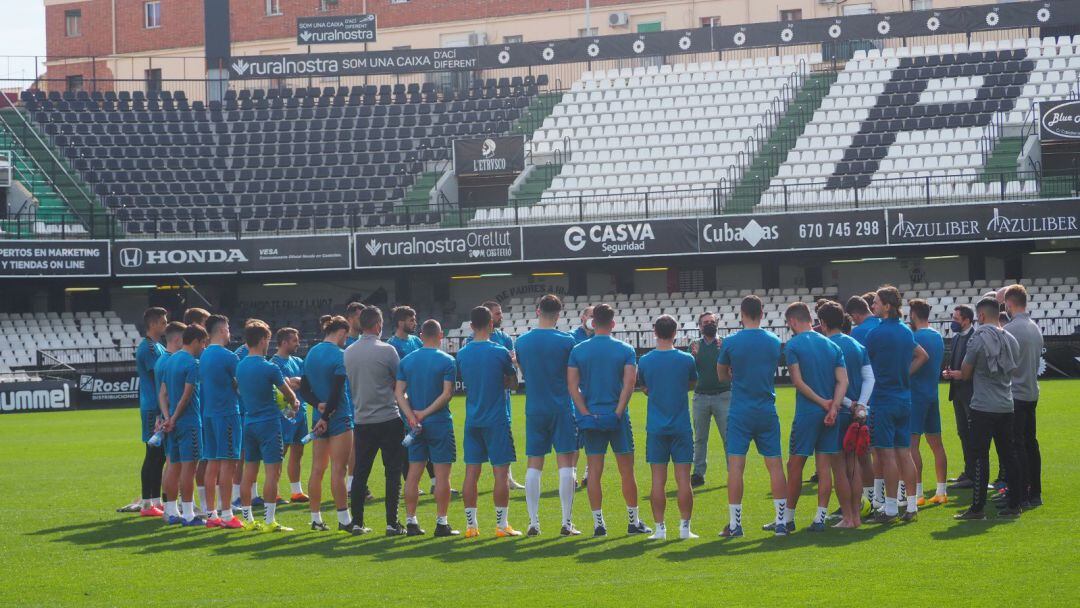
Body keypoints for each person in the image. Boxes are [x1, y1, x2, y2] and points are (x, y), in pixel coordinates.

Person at [568, 303, 650, 538]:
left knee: (594, 472)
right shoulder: (624, 349)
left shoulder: (579, 350)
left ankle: (598, 524)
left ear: (593, 323)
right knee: (627, 471)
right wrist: (617, 411)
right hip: (617, 417)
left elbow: (572, 386)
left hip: (591, 416)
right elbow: (629, 384)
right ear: (613, 323)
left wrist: (584, 412)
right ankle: (633, 522)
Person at [716, 295, 789, 538]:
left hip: (740, 410)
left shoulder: (731, 341)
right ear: (762, 312)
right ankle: (781, 522)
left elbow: (721, 376)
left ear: (742, 313)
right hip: (766, 408)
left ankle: (735, 525)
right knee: (775, 465)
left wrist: (734, 375)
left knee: (736, 467)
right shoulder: (774, 340)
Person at [779, 302, 849, 533]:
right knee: (824, 465)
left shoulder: (793, 345)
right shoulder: (831, 345)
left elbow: (798, 382)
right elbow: (843, 381)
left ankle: (787, 519)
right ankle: (820, 518)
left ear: (792, 322)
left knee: (795, 464)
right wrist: (834, 407)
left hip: (808, 412)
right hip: (831, 414)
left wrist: (822, 403)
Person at [514, 294, 580, 537]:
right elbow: (573, 374)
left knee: (534, 464)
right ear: (559, 314)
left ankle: (533, 522)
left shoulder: (522, 341)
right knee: (566, 465)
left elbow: (522, 370)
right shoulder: (567, 340)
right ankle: (566, 522)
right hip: (561, 406)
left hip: (535, 407)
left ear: (538, 310)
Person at [952, 298, 1024, 520]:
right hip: (1006, 404)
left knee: (979, 457)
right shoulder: (1010, 338)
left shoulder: (978, 338)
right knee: (1008, 455)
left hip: (983, 406)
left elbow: (965, 373)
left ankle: (977, 508)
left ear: (981, 316)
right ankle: (1014, 504)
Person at [457, 306, 522, 538]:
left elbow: (464, 380)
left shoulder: (463, 354)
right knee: (501, 474)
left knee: (471, 473)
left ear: (471, 326)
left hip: (473, 419)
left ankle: (471, 526)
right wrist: (506, 380)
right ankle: (501, 524)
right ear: (491, 325)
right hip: (496, 419)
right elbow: (514, 384)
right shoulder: (500, 351)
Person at [866, 286, 929, 524]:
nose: (873, 305)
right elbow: (922, 355)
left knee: (887, 455)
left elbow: (866, 364)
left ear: (887, 306)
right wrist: (905, 373)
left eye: (876, 302)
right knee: (905, 453)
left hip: (883, 399)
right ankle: (911, 506)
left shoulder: (875, 334)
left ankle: (890, 509)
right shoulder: (905, 331)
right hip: (904, 398)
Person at [344, 305, 408, 536]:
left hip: (362, 419)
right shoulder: (387, 350)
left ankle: (358, 522)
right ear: (379, 325)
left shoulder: (348, 352)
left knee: (361, 472)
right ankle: (392, 522)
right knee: (392, 472)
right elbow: (399, 382)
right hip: (389, 417)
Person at [394, 319, 460, 537]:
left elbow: (398, 392)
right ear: (440, 336)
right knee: (442, 476)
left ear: (421, 335)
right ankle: (441, 523)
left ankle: (411, 521)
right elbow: (447, 393)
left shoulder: (408, 360)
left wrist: (412, 415)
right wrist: (425, 413)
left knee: (413, 474)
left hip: (415, 426)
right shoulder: (447, 360)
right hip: (439, 422)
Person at [236, 320, 300, 532]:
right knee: (273, 472)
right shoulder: (269, 367)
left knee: (249, 472)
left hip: (249, 422)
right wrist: (294, 403)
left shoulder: (241, 365)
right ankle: (269, 521)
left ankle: (247, 519)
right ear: (263, 340)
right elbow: (290, 396)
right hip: (269, 424)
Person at [638, 315, 698, 540]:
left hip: (656, 427)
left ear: (655, 332)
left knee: (657, 480)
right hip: (681, 425)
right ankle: (684, 528)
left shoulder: (645, 361)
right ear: (675, 333)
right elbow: (692, 383)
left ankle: (660, 529)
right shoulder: (686, 359)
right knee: (684, 479)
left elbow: (644, 386)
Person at [818, 302, 874, 527]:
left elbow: (832, 383)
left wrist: (850, 404)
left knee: (839, 468)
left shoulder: (825, 346)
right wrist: (861, 405)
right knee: (854, 466)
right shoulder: (856, 344)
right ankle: (857, 516)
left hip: (838, 411)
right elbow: (870, 378)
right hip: (857, 413)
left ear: (822, 323)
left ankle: (848, 517)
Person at [298, 315, 355, 533]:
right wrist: (327, 415)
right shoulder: (341, 355)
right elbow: (337, 390)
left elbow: (304, 390)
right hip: (339, 417)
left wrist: (318, 407)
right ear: (341, 332)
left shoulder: (311, 352)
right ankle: (344, 520)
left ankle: (316, 518)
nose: (346, 341)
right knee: (339, 470)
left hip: (318, 417)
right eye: (346, 336)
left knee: (317, 469)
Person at [160, 323, 209, 527]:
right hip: (188, 422)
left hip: (172, 423)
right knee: (190, 469)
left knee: (173, 467)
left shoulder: (171, 360)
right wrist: (175, 417)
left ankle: (171, 511)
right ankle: (188, 514)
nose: (204, 348)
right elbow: (186, 396)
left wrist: (167, 417)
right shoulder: (192, 364)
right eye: (203, 343)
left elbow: (163, 393)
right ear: (196, 341)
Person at [387, 306, 437, 494]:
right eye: (411, 320)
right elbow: (394, 375)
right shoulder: (392, 345)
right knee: (409, 442)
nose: (414, 323)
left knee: (430, 437)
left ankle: (435, 481)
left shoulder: (416, 341)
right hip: (405, 401)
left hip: (422, 398)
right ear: (401, 322)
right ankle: (411, 484)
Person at [199, 314, 243, 529]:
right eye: (228, 328)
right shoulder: (229, 357)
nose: (229, 332)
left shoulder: (204, 355)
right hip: (226, 413)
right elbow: (241, 385)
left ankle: (211, 513)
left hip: (208, 414)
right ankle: (226, 514)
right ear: (222, 330)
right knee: (228, 464)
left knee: (212, 462)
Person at [1002, 284, 1044, 507]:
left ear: (1009, 304)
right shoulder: (1035, 327)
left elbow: (1003, 365)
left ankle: (1021, 494)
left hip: (1015, 393)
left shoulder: (1011, 329)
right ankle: (1034, 492)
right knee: (1030, 443)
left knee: (1016, 446)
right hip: (1031, 391)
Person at [480, 300, 525, 490]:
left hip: (503, 396)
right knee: (482, 439)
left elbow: (512, 365)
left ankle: (507, 478)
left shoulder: (505, 338)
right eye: (497, 314)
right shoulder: (474, 339)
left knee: (505, 436)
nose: (501, 316)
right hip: (483, 397)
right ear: (488, 317)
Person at [907, 299, 948, 506]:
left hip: (915, 395)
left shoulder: (914, 337)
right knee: (937, 445)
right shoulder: (937, 336)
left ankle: (919, 491)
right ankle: (941, 490)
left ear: (913, 314)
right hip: (932, 393)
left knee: (912, 445)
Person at [689, 311, 730, 489]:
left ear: (717, 324)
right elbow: (689, 370)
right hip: (701, 396)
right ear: (699, 326)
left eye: (711, 322)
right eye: (705, 322)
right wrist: (694, 356)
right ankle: (698, 473)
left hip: (724, 395)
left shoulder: (725, 344)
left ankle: (733, 472)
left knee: (728, 436)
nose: (708, 324)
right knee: (699, 438)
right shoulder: (694, 345)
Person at [133, 306, 167, 518]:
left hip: (157, 406)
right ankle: (147, 503)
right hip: (152, 408)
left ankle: (155, 501)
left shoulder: (157, 346)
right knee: (152, 454)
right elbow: (159, 376)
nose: (165, 325)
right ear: (153, 324)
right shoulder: (149, 349)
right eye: (163, 322)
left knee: (160, 455)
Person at [271, 327, 310, 504]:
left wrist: (294, 382)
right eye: (295, 340)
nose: (298, 343)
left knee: (298, 451)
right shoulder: (274, 363)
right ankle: (275, 492)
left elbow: (304, 382)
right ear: (284, 342)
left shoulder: (297, 361)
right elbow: (282, 388)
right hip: (284, 413)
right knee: (280, 452)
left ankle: (296, 492)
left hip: (300, 412)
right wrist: (291, 383)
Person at [154, 321, 186, 523]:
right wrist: (166, 418)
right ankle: (171, 507)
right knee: (174, 465)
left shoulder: (164, 360)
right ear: (177, 339)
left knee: (172, 464)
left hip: (167, 417)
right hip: (173, 418)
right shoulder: (170, 361)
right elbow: (164, 394)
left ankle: (170, 507)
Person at [943, 305, 976, 489]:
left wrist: (960, 374)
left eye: (956, 319)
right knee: (963, 433)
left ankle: (974, 474)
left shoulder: (975, 337)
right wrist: (949, 373)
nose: (953, 322)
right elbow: (955, 363)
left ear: (967, 320)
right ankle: (968, 471)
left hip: (971, 393)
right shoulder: (956, 338)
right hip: (957, 392)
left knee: (972, 434)